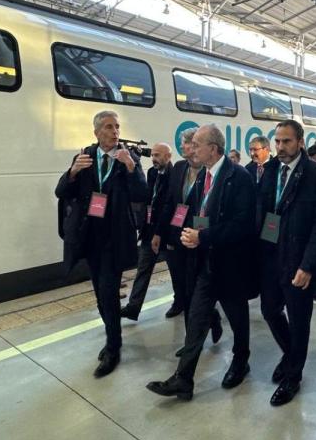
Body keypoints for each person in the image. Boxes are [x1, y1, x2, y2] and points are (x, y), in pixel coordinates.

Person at [146, 124, 257, 400]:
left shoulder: (239, 177)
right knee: (196, 319)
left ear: (213, 148)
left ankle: (241, 361)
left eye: (197, 144)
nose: (191, 149)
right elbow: (196, 212)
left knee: (238, 318)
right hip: (205, 265)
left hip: (231, 265)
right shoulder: (203, 176)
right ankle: (183, 379)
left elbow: (243, 225)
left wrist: (203, 237)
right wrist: (186, 236)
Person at [55, 110, 147, 377]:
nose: (114, 131)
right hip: (89, 237)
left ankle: (113, 347)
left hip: (115, 237)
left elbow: (142, 194)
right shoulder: (84, 156)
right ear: (96, 132)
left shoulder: (129, 158)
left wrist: (131, 167)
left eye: (117, 126)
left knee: (108, 291)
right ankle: (112, 334)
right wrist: (72, 172)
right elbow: (61, 192)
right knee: (100, 293)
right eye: (108, 127)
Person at [257, 120, 316, 406]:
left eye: (286, 141)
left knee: (299, 320)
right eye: (277, 141)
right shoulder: (269, 170)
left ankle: (293, 376)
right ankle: (291, 355)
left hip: (299, 261)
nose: (280, 147)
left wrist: (309, 265)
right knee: (269, 310)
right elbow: (263, 212)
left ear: (300, 142)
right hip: (270, 256)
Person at [156, 129, 223, 341]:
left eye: (188, 144)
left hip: (198, 239)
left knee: (196, 290)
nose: (184, 147)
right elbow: (169, 203)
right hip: (177, 237)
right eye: (186, 144)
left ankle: (198, 332)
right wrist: (159, 232)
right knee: (183, 290)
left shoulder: (209, 172)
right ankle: (201, 327)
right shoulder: (178, 168)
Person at [121, 143, 173, 320]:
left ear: (168, 156)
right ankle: (133, 307)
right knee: (143, 269)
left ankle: (181, 300)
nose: (154, 159)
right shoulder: (152, 173)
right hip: (149, 231)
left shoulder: (175, 175)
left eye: (158, 155)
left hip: (166, 232)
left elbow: (168, 207)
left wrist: (159, 232)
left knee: (177, 273)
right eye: (153, 155)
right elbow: (146, 198)